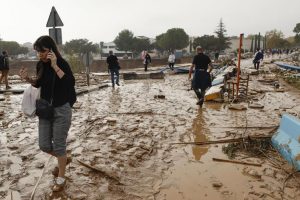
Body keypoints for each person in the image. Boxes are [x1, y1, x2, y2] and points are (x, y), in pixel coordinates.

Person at [19, 35, 76, 192]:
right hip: (45, 110)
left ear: (51, 50)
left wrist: (55, 65)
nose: (40, 55)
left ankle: (61, 178)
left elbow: (70, 83)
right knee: (44, 145)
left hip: (62, 110)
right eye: (38, 52)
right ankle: (64, 158)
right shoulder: (40, 65)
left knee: (59, 146)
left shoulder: (62, 63)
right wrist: (28, 79)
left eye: (43, 52)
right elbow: (39, 83)